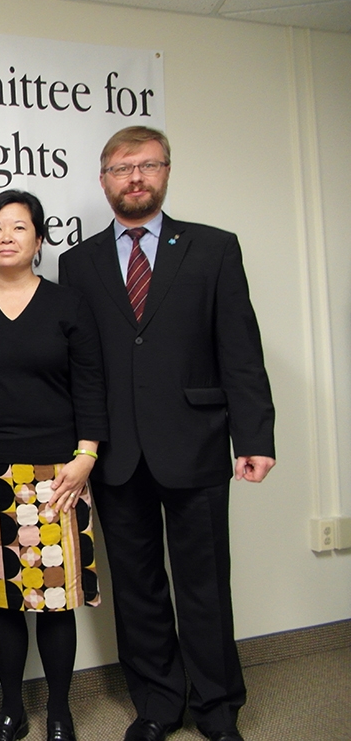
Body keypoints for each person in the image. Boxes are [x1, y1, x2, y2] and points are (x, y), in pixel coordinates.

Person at [58, 126, 275, 741]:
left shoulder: (213, 248)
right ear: (103, 180)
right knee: (138, 587)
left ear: (167, 171)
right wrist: (81, 446)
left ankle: (217, 708)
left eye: (147, 165)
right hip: (117, 453)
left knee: (205, 585)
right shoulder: (77, 263)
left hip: (197, 442)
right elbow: (81, 365)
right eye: (122, 168)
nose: (135, 178)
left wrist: (254, 437)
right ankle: (157, 704)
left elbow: (240, 350)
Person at [0, 190, 106, 741]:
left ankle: (60, 712)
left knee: (57, 602)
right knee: (4, 600)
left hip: (60, 473)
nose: (6, 236)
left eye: (18, 227)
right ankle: (11, 711)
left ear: (39, 240)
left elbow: (90, 384)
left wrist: (86, 456)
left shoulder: (68, 305)